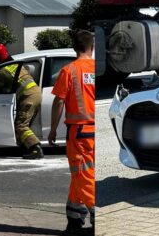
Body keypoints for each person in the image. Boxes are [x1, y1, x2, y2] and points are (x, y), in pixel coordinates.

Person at [48, 30, 95, 235]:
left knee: (84, 176)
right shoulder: (95, 69)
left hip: (79, 133)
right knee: (81, 175)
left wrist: (52, 129)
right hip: (94, 132)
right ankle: (74, 219)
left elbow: (59, 100)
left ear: (75, 48)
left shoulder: (69, 71)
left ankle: (95, 214)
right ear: (92, 48)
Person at [0, 43, 44, 159]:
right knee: (24, 124)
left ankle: (35, 148)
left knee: (21, 126)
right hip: (35, 93)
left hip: (28, 96)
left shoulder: (2, 71)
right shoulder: (14, 64)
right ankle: (25, 147)